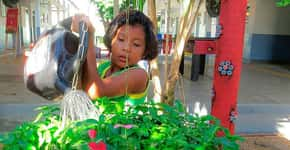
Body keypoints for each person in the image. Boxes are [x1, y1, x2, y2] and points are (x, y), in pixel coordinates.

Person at [71, 10, 158, 105]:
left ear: (145, 51)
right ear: (111, 39)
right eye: (121, 39)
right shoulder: (103, 67)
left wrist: (89, 36)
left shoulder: (139, 75)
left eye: (136, 44)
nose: (127, 48)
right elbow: (81, 90)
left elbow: (95, 91)